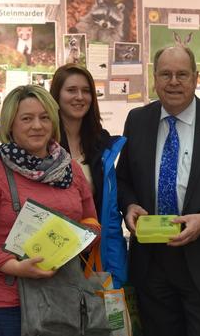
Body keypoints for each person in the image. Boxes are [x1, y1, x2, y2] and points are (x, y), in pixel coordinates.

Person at [116, 46, 200, 336]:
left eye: (182, 74)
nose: (174, 81)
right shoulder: (138, 120)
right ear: (155, 79)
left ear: (196, 78)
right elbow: (123, 179)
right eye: (165, 74)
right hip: (151, 261)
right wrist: (129, 206)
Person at [0, 85, 99, 336]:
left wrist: (80, 239)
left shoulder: (70, 169)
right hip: (4, 308)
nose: (37, 126)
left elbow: (91, 221)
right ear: (10, 125)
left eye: (44, 118)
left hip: (62, 299)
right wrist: (12, 265)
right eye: (27, 118)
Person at [49, 64, 127, 287]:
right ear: (57, 95)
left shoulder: (102, 147)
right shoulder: (42, 147)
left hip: (94, 257)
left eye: (86, 91)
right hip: (54, 259)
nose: (79, 97)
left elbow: (110, 215)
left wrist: (116, 270)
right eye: (71, 90)